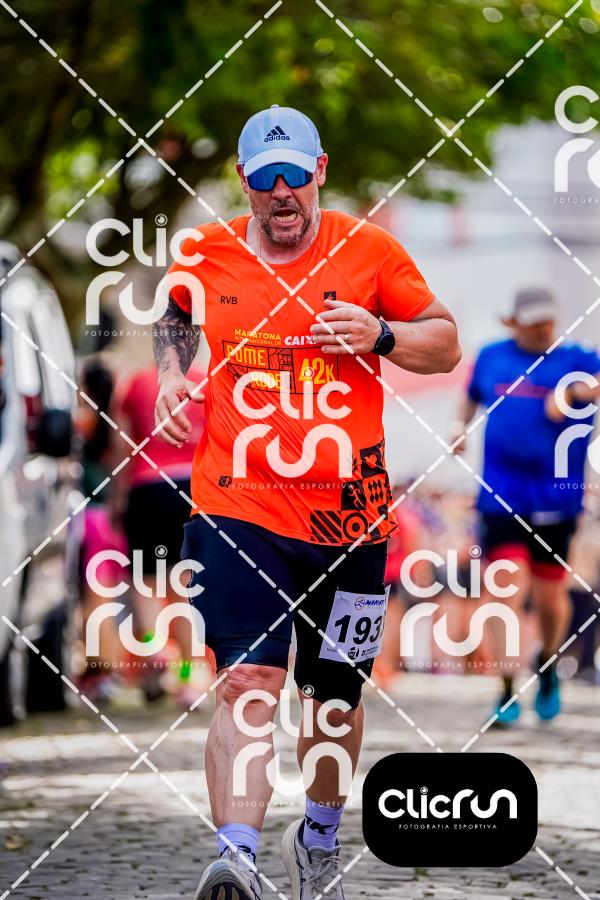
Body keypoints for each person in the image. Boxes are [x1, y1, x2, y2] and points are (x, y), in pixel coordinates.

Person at [152, 105, 461, 900]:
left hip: (351, 518)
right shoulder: (206, 250)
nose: (282, 191)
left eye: (295, 174)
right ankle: (238, 857)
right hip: (237, 506)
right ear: (245, 182)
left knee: (334, 702)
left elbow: (444, 341)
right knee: (247, 682)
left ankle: (318, 837)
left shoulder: (371, 251)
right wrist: (172, 377)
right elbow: (176, 309)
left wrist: (381, 334)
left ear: (320, 170)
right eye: (266, 179)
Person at [452, 287, 600, 725]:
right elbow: (470, 395)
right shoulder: (492, 356)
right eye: (534, 322)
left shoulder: (577, 356)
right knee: (504, 589)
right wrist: (459, 426)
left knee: (551, 598)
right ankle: (506, 687)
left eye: (549, 321)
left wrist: (575, 392)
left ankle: (548, 665)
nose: (543, 328)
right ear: (513, 322)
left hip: (557, 498)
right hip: (500, 495)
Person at [111, 363, 210, 705]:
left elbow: (121, 444)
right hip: (192, 488)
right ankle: (187, 679)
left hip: (146, 488)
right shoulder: (205, 381)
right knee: (184, 586)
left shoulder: (136, 382)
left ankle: (155, 649)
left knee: (145, 581)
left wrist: (116, 499)